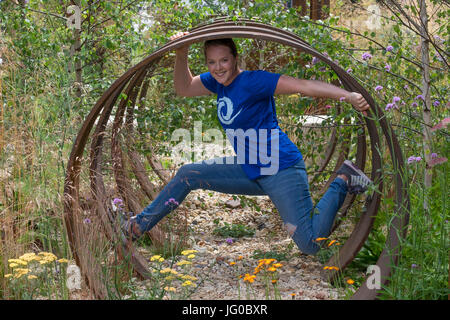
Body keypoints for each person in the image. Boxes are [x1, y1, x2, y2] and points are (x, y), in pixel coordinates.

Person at [120, 32, 372, 255]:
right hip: (252, 169)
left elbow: (303, 86)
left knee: (310, 244)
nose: (218, 67)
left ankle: (344, 179)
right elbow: (184, 88)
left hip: (280, 168)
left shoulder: (254, 82)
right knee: (189, 174)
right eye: (211, 62)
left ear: (235, 58)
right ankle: (136, 226)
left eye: (224, 60)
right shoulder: (215, 82)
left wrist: (348, 95)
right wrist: (181, 52)